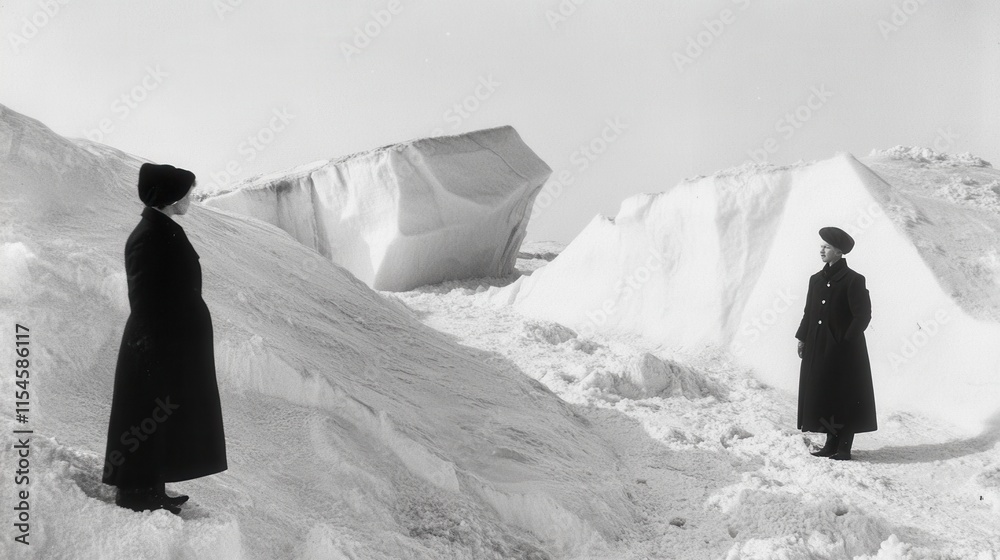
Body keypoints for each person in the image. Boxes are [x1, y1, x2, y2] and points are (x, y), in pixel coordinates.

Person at [102, 163, 227, 514]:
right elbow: (145, 299)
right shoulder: (148, 236)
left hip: (167, 343)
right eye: (187, 192)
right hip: (155, 345)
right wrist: (156, 346)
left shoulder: (159, 229)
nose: (191, 197)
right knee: (146, 416)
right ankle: (136, 493)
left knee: (156, 418)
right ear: (171, 196)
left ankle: (150, 486)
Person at [795, 226, 877, 461]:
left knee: (845, 396)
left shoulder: (853, 280)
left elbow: (863, 315)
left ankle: (843, 447)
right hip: (818, 348)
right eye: (821, 246)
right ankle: (830, 444)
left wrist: (845, 341)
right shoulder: (815, 280)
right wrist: (802, 337)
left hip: (845, 350)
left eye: (827, 247)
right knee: (825, 395)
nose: (821, 250)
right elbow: (808, 313)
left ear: (840, 252)